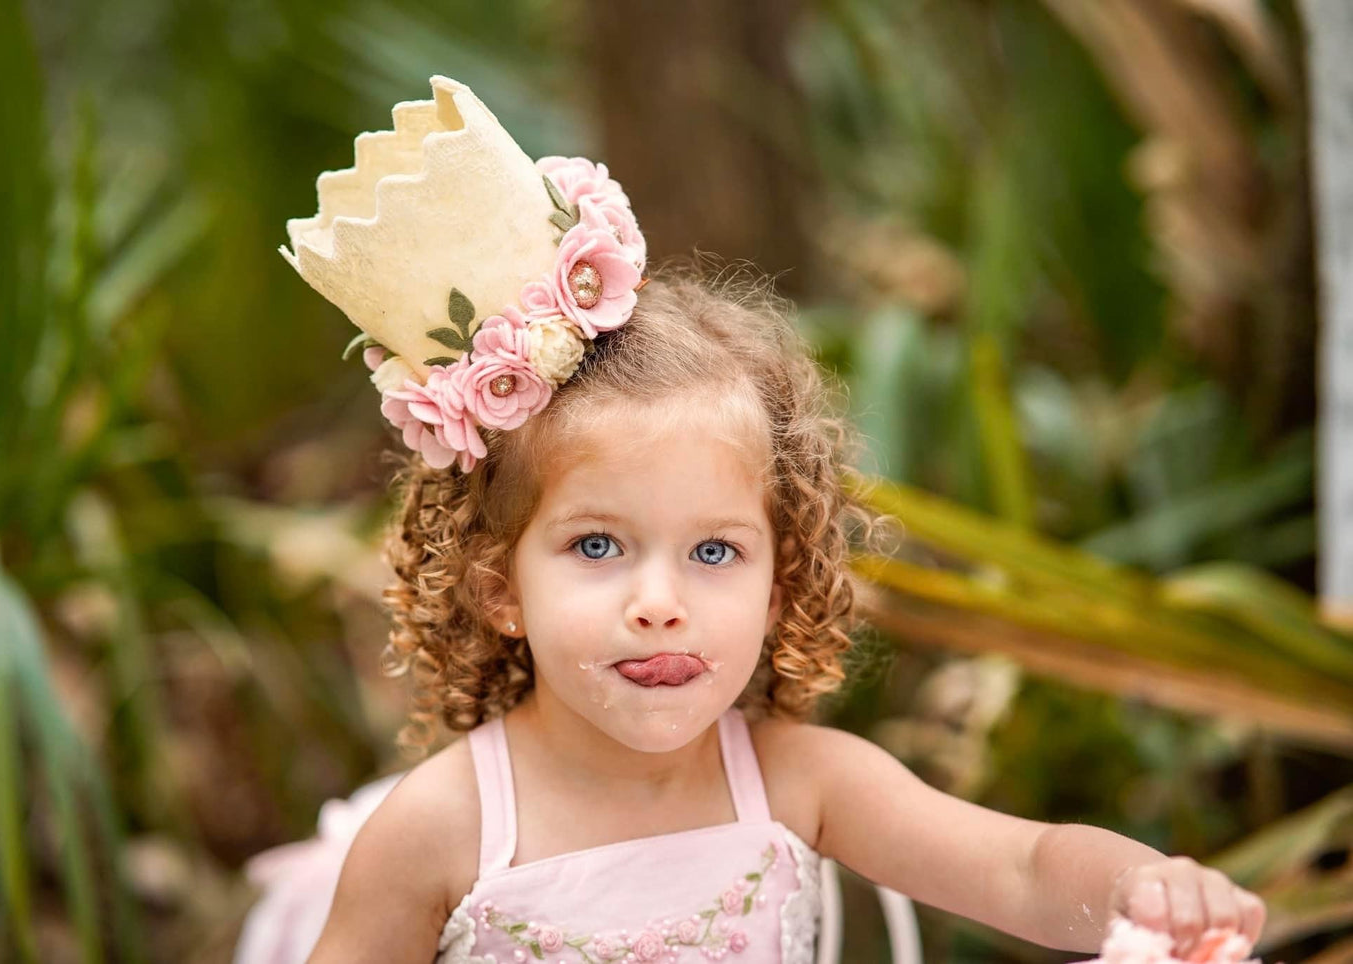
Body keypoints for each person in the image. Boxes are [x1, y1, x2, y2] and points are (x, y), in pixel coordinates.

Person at [276, 76, 1266, 964]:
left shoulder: (797, 781)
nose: (659, 602)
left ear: (780, 579)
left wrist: (1141, 887)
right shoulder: (442, 830)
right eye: (596, 545)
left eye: (714, 549)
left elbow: (1023, 867)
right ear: (499, 587)